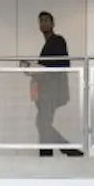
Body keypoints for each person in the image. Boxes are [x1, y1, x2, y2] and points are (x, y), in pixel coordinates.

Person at [23, 11, 83, 158]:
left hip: (52, 91)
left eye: (46, 20)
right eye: (41, 21)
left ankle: (65, 150)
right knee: (42, 124)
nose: (43, 23)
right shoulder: (48, 44)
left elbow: (61, 64)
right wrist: (33, 70)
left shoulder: (57, 41)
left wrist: (38, 69)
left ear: (52, 23)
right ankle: (57, 152)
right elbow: (46, 67)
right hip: (46, 92)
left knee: (42, 123)